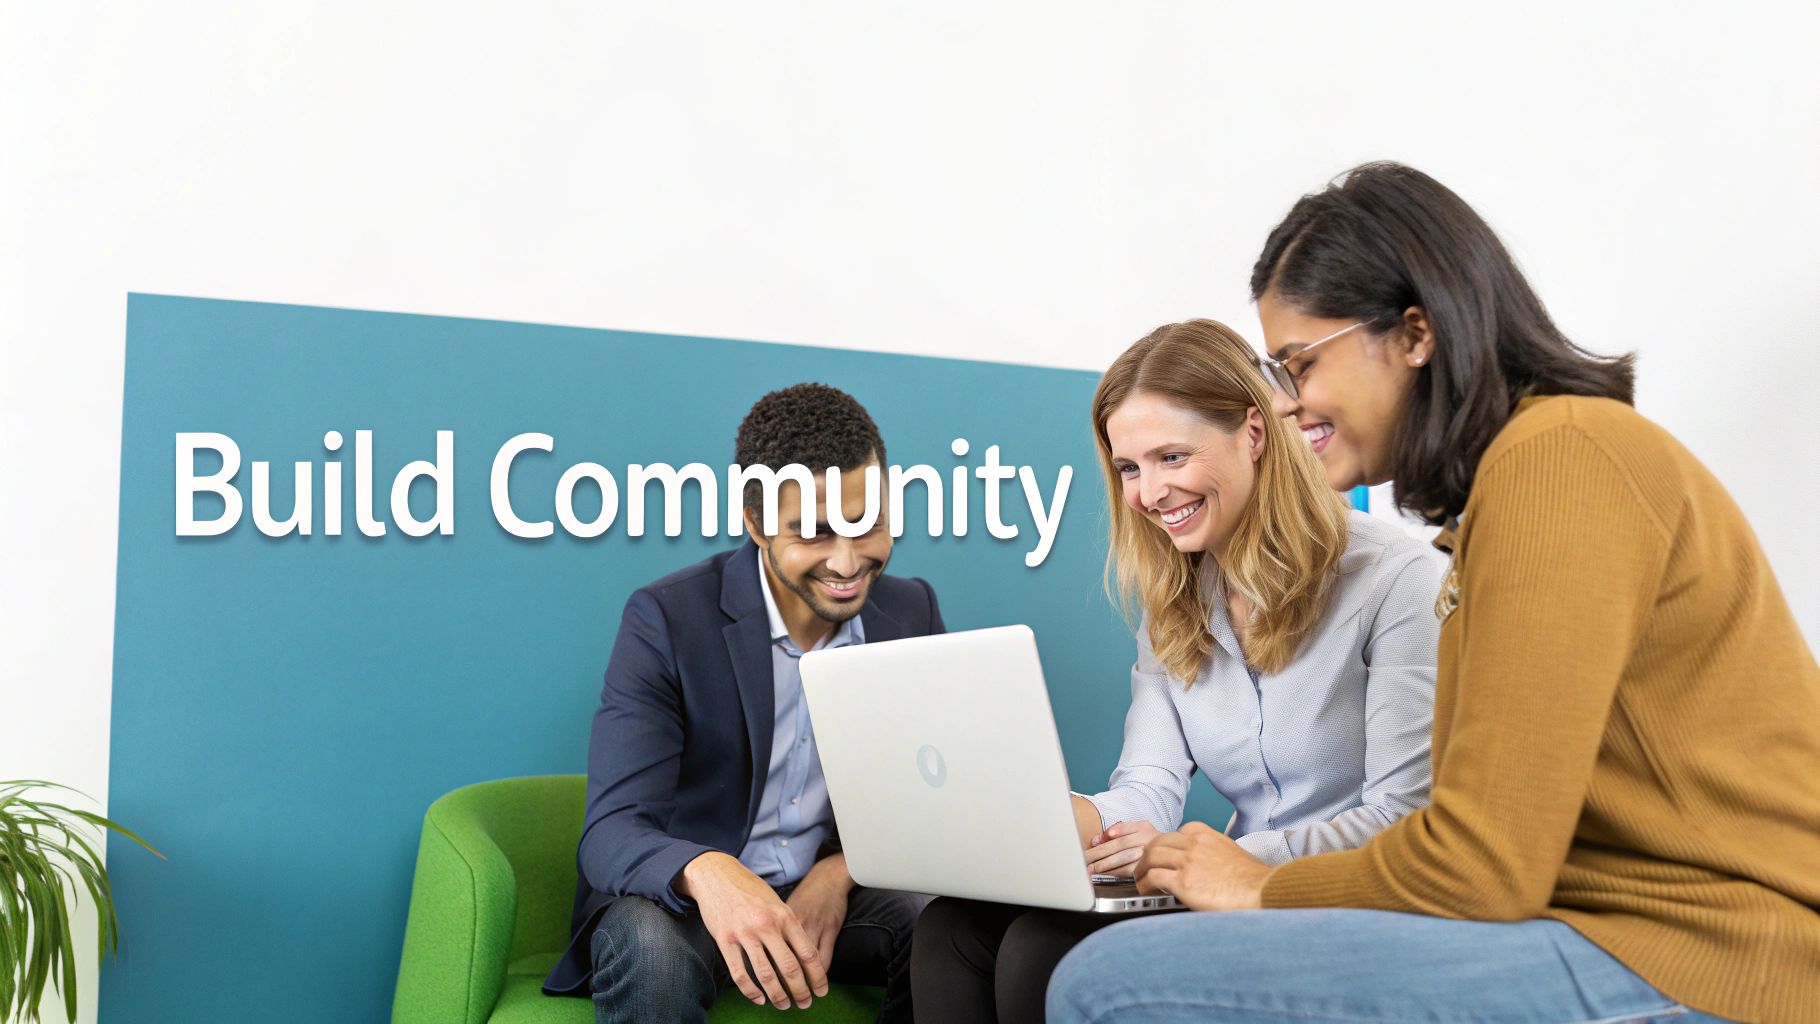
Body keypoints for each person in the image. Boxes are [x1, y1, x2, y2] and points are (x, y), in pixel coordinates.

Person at [1047, 163, 1820, 1024]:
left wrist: (1262, 883)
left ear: (1415, 335)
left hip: (1716, 951)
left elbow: (1481, 860)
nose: (1288, 400)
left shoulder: (1560, 460)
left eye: (1299, 363)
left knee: (1107, 984)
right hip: (1597, 926)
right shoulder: (1507, 490)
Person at [911, 319, 1443, 1023]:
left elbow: (1402, 819)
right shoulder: (1174, 606)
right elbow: (1150, 786)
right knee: (953, 928)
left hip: (1330, 901)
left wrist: (1220, 856)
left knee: (1042, 948)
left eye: (1170, 457)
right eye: (1130, 469)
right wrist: (1076, 822)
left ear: (1254, 433)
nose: (1150, 492)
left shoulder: (1396, 581)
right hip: (1215, 884)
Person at [543, 383, 945, 1024]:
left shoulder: (911, 611)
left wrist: (840, 871)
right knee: (648, 944)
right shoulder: (668, 619)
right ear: (756, 524)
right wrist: (709, 872)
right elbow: (611, 832)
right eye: (814, 533)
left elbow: (929, 801)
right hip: (686, 908)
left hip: (836, 904)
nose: (848, 561)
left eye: (866, 522)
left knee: (945, 919)